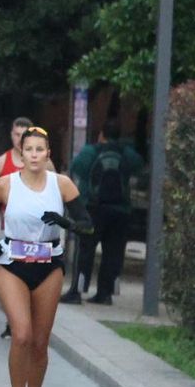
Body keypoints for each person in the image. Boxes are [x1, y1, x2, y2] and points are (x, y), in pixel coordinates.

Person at [0, 127, 92, 387]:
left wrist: (65, 222)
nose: (33, 155)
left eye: (39, 149)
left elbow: (87, 226)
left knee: (40, 341)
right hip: (11, 265)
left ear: (48, 154)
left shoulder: (62, 184)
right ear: (21, 154)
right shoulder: (7, 184)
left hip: (48, 265)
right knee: (21, 335)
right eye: (28, 149)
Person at [65, 123, 143, 305]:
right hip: (120, 210)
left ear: (101, 135)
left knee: (85, 250)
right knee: (112, 253)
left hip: (93, 209)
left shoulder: (91, 151)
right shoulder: (126, 153)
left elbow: (76, 167)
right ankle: (105, 293)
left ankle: (77, 291)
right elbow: (139, 165)